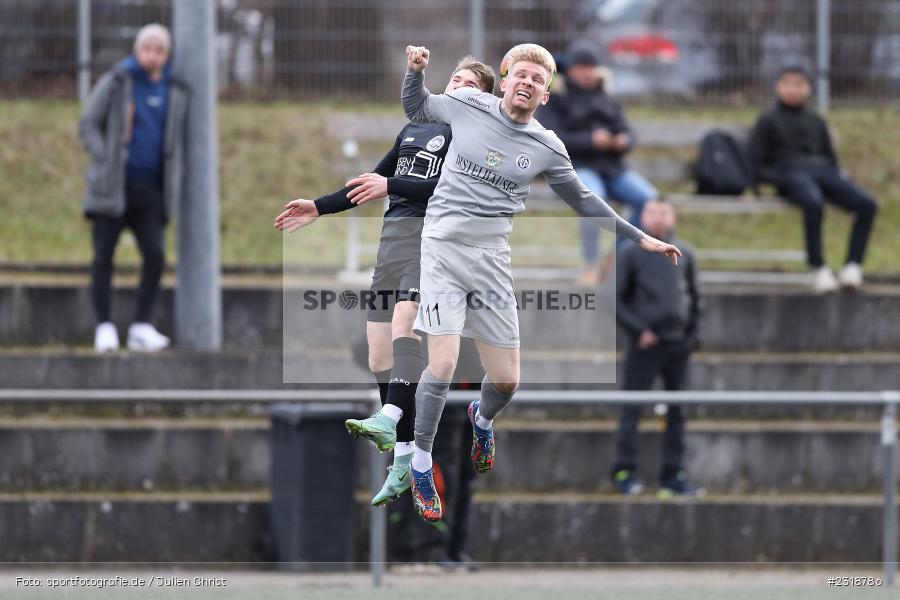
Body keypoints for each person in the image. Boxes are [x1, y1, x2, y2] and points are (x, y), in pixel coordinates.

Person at [394, 43, 681, 522]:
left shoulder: (547, 146)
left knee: (506, 380)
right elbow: (418, 107)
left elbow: (586, 201)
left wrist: (640, 237)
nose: (527, 83)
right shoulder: (468, 105)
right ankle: (420, 461)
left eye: (538, 80)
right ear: (504, 80)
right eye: (521, 74)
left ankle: (481, 419)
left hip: (491, 261)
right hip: (442, 249)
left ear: (546, 95)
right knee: (441, 365)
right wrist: (414, 71)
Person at [274, 58, 496, 507]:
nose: (459, 86)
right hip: (392, 242)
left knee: (405, 324)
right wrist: (320, 206)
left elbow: (445, 190)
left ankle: (391, 416)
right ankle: (405, 458)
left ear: (482, 99)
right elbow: (373, 181)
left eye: (471, 85)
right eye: (456, 79)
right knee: (378, 351)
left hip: (431, 241)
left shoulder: (471, 138)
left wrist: (391, 183)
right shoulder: (413, 130)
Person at [79, 23, 188, 352]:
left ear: (166, 55)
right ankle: (105, 327)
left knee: (155, 254)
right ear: (137, 50)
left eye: (159, 50)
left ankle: (141, 325)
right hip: (113, 189)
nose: (152, 55)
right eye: (147, 49)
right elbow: (88, 124)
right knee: (103, 256)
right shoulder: (117, 81)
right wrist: (105, 159)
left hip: (151, 189)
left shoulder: (175, 89)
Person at [749, 66, 878, 293]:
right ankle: (818, 266)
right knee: (813, 202)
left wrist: (839, 176)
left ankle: (853, 266)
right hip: (791, 175)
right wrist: (777, 180)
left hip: (823, 173)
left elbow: (830, 158)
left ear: (807, 88)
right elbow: (756, 162)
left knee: (867, 204)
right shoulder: (767, 120)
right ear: (778, 87)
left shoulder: (816, 120)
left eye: (798, 84)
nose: (793, 89)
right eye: (788, 84)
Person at [538, 41, 657, 285]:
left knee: (650, 201)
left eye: (591, 66)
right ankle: (590, 265)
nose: (587, 72)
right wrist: (591, 140)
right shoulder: (556, 98)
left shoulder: (606, 97)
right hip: (578, 167)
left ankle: (617, 257)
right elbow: (550, 137)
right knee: (593, 200)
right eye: (581, 67)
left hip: (613, 169)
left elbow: (627, 131)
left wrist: (624, 140)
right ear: (569, 69)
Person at [611, 199, 704, 498]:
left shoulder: (686, 253)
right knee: (632, 408)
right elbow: (615, 300)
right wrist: (639, 331)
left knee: (677, 411)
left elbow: (696, 296)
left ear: (673, 216)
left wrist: (693, 335)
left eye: (664, 212)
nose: (658, 218)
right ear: (643, 216)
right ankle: (624, 471)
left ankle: (673, 474)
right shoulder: (630, 254)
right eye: (652, 212)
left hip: (678, 345)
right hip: (645, 345)